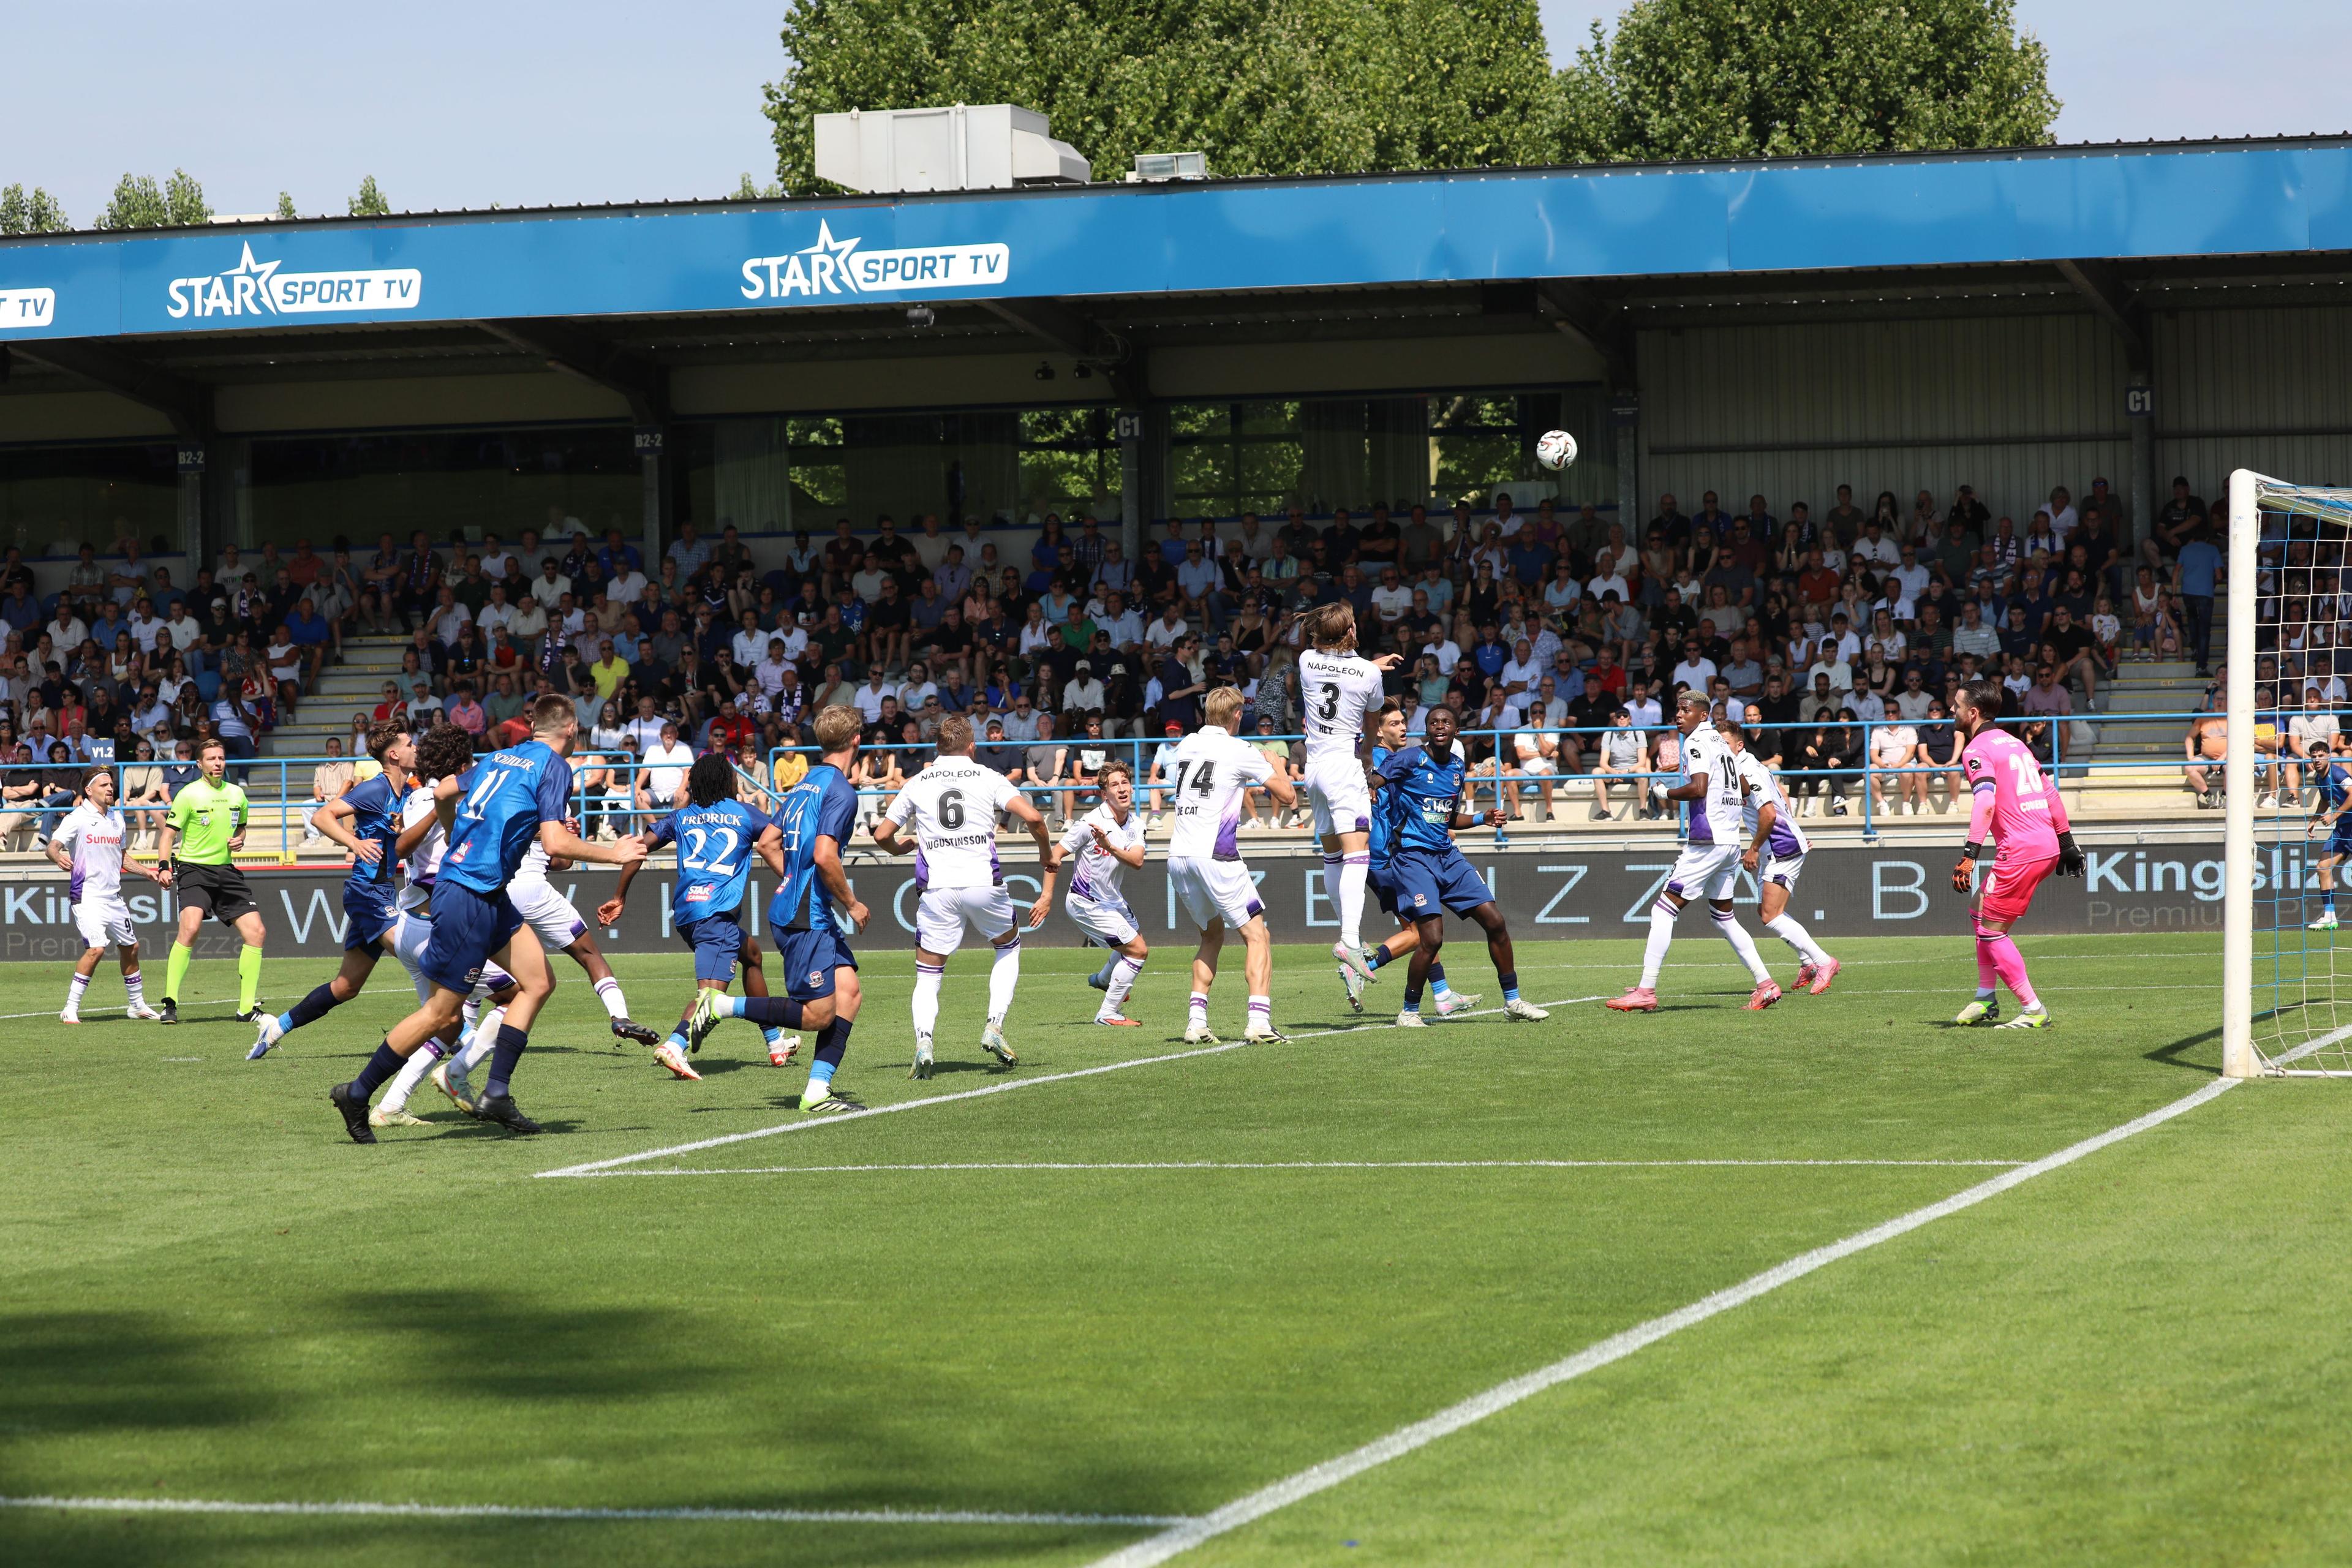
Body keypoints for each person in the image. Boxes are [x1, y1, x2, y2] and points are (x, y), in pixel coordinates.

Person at [325, 695, 649, 1143]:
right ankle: (358, 1093)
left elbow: (443, 792)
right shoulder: (554, 767)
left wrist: (457, 833)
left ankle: (496, 1092)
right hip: (468, 896)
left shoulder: (502, 756)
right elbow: (555, 844)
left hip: (487, 892)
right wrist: (613, 854)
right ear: (571, 729)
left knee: (537, 983)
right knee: (442, 1015)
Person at [690, 704, 870, 1115]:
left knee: (849, 995)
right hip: (808, 916)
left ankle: (816, 1092)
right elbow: (826, 856)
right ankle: (720, 1006)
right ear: (856, 741)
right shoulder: (841, 791)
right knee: (819, 1014)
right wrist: (853, 904)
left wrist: (792, 879)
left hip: (798, 906)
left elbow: (768, 842)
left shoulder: (805, 783)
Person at [871, 714, 1060, 1077]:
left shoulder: (918, 782)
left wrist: (899, 849)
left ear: (937, 747)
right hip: (982, 882)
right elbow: (1035, 818)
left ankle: (924, 1041)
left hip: (937, 887)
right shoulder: (989, 777)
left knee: (929, 974)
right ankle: (994, 1025)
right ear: (971, 745)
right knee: (1008, 947)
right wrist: (1043, 851)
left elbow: (881, 835)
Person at [602, 753, 781, 1080]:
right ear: (728, 781)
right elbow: (777, 834)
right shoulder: (743, 813)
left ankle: (775, 1041)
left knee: (752, 954)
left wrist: (619, 896)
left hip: (687, 913)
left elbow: (638, 849)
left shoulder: (681, 817)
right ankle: (675, 1045)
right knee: (710, 997)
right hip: (717, 914)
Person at [1367, 703, 1547, 1027]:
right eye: (1434, 722)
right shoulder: (1409, 758)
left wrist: (1482, 818)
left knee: (1495, 921)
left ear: (1456, 731)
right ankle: (1409, 1012)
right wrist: (1371, 787)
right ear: (1427, 729)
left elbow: (1447, 817)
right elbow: (1377, 778)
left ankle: (1513, 1002)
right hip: (1413, 857)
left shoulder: (1456, 768)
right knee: (1431, 938)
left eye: (1446, 722)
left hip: (1448, 856)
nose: (1440, 726)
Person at [1606, 690, 1783, 1014]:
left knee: (1663, 910)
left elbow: (1699, 788)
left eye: (1685, 710)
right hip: (1730, 841)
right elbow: (1744, 788)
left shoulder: (1698, 742)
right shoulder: (1722, 744)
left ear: (1703, 715)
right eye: (1677, 709)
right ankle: (1766, 984)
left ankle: (1646, 990)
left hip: (1708, 841)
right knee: (1724, 917)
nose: (1678, 714)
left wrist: (1666, 791)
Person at [1951, 676, 2086, 1028]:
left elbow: (1985, 801)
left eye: (1957, 706)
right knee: (1979, 910)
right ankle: (1984, 997)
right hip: (2046, 844)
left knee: (1992, 931)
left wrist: (1970, 854)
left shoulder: (1976, 750)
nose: (1953, 710)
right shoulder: (2016, 743)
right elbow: (2050, 793)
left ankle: (2032, 1009)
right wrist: (2068, 844)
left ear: (1973, 712)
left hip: (2021, 849)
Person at [1163, 686, 1295, 1044]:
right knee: (1258, 935)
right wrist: (1276, 766)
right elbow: (1288, 796)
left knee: (1211, 935)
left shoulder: (1187, 743)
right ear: (1238, 715)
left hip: (1179, 855)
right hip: (1215, 854)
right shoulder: (1241, 750)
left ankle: (1196, 1022)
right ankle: (1258, 1022)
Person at [1295, 602, 1404, 1001]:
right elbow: (1371, 724)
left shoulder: (1307, 660)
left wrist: (1370, 665)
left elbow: (1340, 672)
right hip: (1344, 768)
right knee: (1357, 857)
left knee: (1332, 858)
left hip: (1315, 771)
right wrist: (1368, 760)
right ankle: (1349, 942)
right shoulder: (1370, 674)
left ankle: (1350, 945)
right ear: (1350, 633)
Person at [1349, 701, 1479, 1016]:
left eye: (1403, 722)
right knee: (1421, 933)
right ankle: (1361, 964)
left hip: (1389, 854)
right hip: (1387, 856)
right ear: (1377, 732)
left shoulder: (1394, 759)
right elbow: (1374, 791)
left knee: (1425, 929)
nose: (1402, 728)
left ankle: (1442, 992)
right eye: (1393, 724)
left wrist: (1437, 823)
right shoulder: (1381, 760)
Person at [153, 739, 266, 1024]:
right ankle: (170, 1003)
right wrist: (164, 867)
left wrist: (240, 839)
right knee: (189, 930)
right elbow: (168, 836)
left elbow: (241, 827)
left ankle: (245, 1009)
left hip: (227, 872)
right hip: (194, 870)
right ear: (199, 764)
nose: (217, 763)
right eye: (211, 759)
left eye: (221, 758)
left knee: (257, 932)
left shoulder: (238, 794)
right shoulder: (188, 795)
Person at [1727, 714, 1839, 993]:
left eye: (1724, 743)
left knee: (1770, 914)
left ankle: (1824, 962)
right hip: (1781, 844)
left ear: (1739, 745)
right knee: (1767, 911)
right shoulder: (1748, 765)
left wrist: (1753, 849)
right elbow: (1781, 795)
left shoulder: (1748, 771)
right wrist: (1797, 831)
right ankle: (1807, 962)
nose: (1720, 749)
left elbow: (1769, 812)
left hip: (1779, 846)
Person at [51, 767, 168, 1023]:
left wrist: (147, 872)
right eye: (103, 785)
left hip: (113, 898)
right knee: (96, 949)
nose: (110, 788)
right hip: (87, 897)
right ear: (89, 790)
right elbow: (53, 846)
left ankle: (136, 1005)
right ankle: (70, 1007)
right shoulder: (78, 818)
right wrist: (58, 856)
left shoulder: (117, 819)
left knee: (131, 947)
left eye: (111, 785)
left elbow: (123, 856)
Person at [1067, 759, 1152, 1026]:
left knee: (1134, 940)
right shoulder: (1089, 823)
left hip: (1112, 900)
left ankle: (1104, 979)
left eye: (1125, 782)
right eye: (1114, 785)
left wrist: (1110, 846)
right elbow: (1055, 855)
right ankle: (1107, 1013)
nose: (1122, 788)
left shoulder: (1137, 824)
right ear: (1104, 794)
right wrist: (1046, 897)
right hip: (1086, 901)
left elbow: (1137, 862)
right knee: (1138, 951)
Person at [2307, 741, 2352, 930]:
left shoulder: (2338, 773)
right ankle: (2330, 915)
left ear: (2328, 756)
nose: (2317, 760)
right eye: (2314, 757)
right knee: (2323, 867)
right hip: (2342, 831)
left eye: (2321, 756)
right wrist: (2314, 819)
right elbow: (2326, 800)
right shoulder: (2319, 779)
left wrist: (2335, 814)